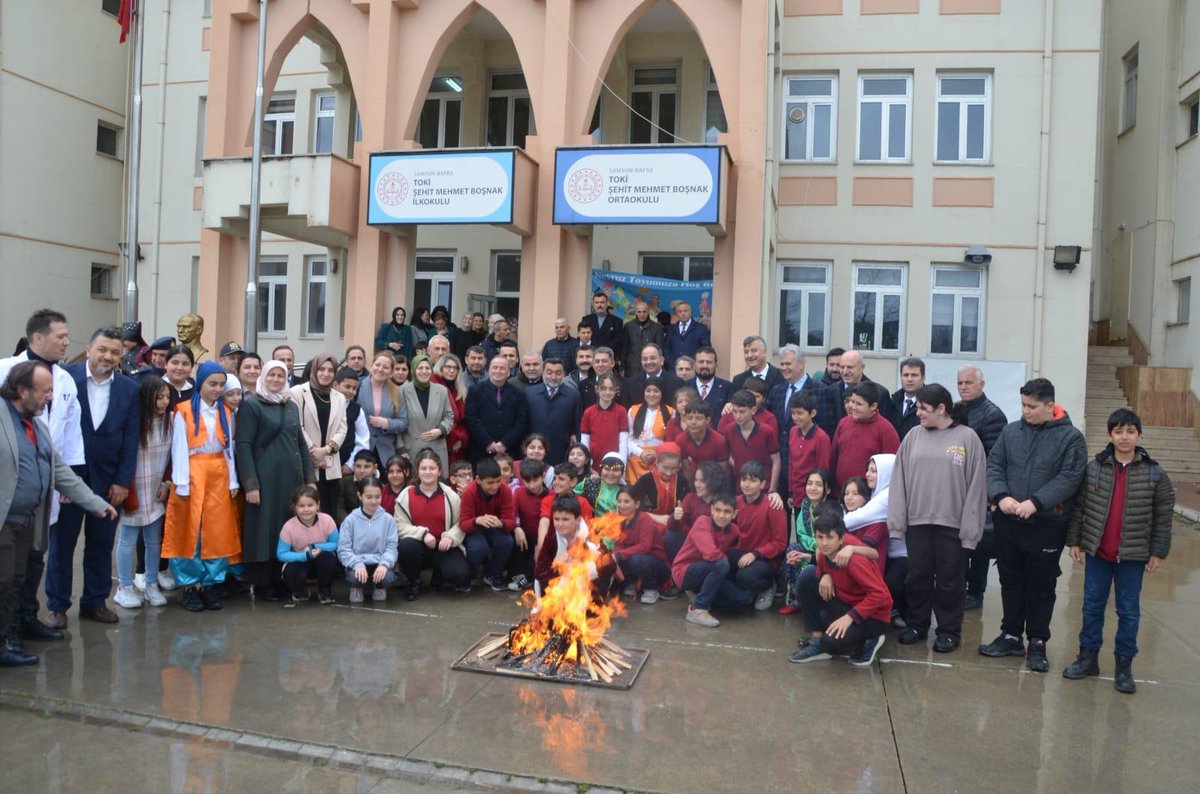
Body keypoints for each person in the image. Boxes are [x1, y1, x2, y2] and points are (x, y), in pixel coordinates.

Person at [1, 362, 116, 667]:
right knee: (3, 582)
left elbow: (60, 471)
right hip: (4, 521)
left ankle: (5, 643)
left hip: (28, 519)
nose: (50, 397)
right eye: (45, 391)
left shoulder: (37, 425)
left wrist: (95, 503)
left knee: (16, 582)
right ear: (22, 390)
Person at [1062, 408, 1175, 694]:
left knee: (1128, 611)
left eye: (1130, 432)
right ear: (1109, 435)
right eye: (1118, 431)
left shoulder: (1154, 473)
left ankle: (1124, 665)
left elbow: (1163, 515)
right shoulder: (1095, 468)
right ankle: (1087, 657)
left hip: (1133, 557)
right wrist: (1074, 540)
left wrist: (1158, 551)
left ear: (1139, 435)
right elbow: (1080, 508)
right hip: (1099, 553)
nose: (1124, 437)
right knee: (1092, 606)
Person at [980, 378, 1088, 673]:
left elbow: (1070, 477)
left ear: (1050, 406)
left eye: (1032, 406)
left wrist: (1036, 502)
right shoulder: (1011, 431)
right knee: (1010, 580)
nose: (1026, 411)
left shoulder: (1071, 439)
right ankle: (1011, 635)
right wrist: (1001, 496)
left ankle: (1038, 642)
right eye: (1023, 405)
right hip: (1009, 520)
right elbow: (995, 464)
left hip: (1046, 523)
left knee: (1041, 585)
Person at [0, 310, 85, 645]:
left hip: (46, 486)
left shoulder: (64, 380)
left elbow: (72, 434)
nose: (67, 341)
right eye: (60, 336)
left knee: (35, 557)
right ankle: (8, 630)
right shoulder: (6, 370)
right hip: (12, 489)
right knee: (9, 568)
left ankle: (26, 618)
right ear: (37, 338)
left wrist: (71, 481)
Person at [46, 327, 141, 626]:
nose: (108, 356)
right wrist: (60, 481)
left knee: (101, 545)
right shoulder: (64, 379)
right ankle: (58, 606)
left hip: (109, 480)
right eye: (102, 350)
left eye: (115, 352)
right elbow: (54, 431)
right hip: (69, 480)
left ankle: (95, 602)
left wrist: (123, 481)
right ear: (88, 350)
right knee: (62, 544)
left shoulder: (129, 389)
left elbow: (130, 439)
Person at [162, 361, 241, 612]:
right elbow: (179, 449)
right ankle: (189, 584)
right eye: (212, 384)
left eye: (221, 385)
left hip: (219, 473)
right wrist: (182, 483)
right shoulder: (184, 411)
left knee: (217, 529)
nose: (217, 390)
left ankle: (210, 582)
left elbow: (230, 449)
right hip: (193, 472)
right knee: (190, 529)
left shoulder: (226, 413)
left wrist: (233, 480)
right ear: (201, 383)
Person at [236, 360, 316, 600]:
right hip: (265, 480)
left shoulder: (290, 405)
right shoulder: (251, 405)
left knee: (286, 528)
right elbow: (244, 445)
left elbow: (300, 443)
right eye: (272, 375)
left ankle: (282, 579)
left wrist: (310, 479)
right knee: (264, 530)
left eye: (281, 376)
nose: (276, 380)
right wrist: (250, 484)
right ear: (263, 377)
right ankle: (262, 583)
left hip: (291, 480)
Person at [788, 506, 892, 666]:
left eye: (829, 537)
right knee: (808, 576)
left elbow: (881, 595)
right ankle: (817, 642)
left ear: (841, 538)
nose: (824, 543)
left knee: (831, 644)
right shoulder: (823, 551)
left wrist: (849, 617)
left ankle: (871, 640)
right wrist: (824, 575)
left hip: (874, 616)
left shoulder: (854, 560)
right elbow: (821, 566)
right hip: (847, 602)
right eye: (820, 537)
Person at [113, 378, 173, 610]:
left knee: (153, 540)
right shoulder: (134, 423)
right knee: (127, 540)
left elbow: (173, 458)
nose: (164, 402)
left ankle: (151, 584)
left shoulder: (171, 421)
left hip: (157, 488)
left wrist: (167, 484)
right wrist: (125, 488)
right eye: (159, 397)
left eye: (167, 397)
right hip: (135, 488)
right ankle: (125, 587)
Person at [957, 364, 1008, 611]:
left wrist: (988, 494)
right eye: (960, 383)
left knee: (977, 544)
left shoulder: (992, 415)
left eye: (969, 382)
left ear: (982, 384)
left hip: (979, 493)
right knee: (960, 544)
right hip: (958, 490)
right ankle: (960, 587)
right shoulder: (958, 411)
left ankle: (975, 591)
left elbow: (994, 459)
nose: (964, 387)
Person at [395, 450, 469, 599]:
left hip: (443, 546)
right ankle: (414, 581)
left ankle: (439, 573)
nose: (428, 472)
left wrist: (450, 537)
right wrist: (423, 533)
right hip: (419, 546)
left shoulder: (450, 495)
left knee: (461, 576)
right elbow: (399, 525)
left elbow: (460, 523)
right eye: (423, 468)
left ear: (439, 471)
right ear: (417, 470)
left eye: (432, 468)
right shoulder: (406, 494)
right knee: (406, 546)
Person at [672, 492, 748, 628]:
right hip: (685, 572)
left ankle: (699, 594)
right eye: (718, 510)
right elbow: (711, 555)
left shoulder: (734, 531)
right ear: (712, 510)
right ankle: (698, 609)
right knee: (722, 564)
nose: (721, 515)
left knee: (741, 600)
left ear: (734, 514)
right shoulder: (702, 522)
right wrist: (727, 560)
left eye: (727, 511)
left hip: (710, 572)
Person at [846, 455, 904, 626]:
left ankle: (907, 616)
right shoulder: (879, 492)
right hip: (891, 553)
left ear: (887, 473)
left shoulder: (888, 495)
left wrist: (828, 526)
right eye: (868, 470)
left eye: (874, 471)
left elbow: (855, 519)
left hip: (904, 554)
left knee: (892, 583)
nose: (867, 474)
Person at [290, 354, 348, 518]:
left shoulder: (339, 397)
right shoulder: (297, 392)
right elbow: (297, 425)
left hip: (330, 464)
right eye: (322, 369)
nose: (326, 373)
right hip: (306, 463)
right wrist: (314, 452)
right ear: (314, 370)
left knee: (328, 512)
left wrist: (326, 450)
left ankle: (325, 545)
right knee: (306, 511)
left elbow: (343, 428)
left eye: (330, 370)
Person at [729, 460, 789, 610]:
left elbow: (780, 543)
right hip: (742, 553)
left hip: (766, 559)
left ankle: (768, 585)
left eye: (752, 480)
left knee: (744, 576)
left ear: (762, 484)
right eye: (744, 479)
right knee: (720, 562)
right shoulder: (736, 502)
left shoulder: (773, 506)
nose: (747, 484)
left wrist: (756, 554)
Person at [458, 457, 517, 591]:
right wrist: (477, 520)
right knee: (479, 547)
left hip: (494, 526)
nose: (495, 486)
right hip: (475, 527)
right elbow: (463, 524)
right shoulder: (469, 492)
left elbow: (511, 521)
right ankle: (469, 576)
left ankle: (492, 574)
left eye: (498, 481)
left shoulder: (505, 490)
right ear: (478, 480)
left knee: (506, 541)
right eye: (490, 483)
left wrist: (500, 523)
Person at [337, 476, 398, 603]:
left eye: (377, 497)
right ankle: (357, 587)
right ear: (360, 496)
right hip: (357, 564)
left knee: (388, 578)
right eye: (369, 497)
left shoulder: (388, 519)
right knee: (354, 578)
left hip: (379, 562)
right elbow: (343, 549)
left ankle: (379, 586)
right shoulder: (350, 520)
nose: (374, 501)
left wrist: (384, 564)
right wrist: (356, 563)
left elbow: (392, 547)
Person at [277, 484, 340, 606]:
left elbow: (336, 544)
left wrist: (314, 546)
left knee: (327, 558)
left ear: (317, 505)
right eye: (301, 506)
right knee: (291, 570)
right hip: (301, 562)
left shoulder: (327, 520)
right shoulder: (288, 527)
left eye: (310, 505)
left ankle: (324, 591)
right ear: (295, 507)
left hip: (320, 562)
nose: (306, 509)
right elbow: (281, 554)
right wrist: (305, 555)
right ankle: (299, 592)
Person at [830, 382, 900, 488]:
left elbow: (893, 468)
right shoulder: (843, 423)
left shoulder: (886, 430)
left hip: (869, 496)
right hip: (841, 493)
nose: (853, 407)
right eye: (852, 401)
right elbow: (834, 458)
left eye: (859, 404)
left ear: (873, 406)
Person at [610, 487, 670, 604]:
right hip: (636, 559)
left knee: (635, 559)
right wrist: (614, 556)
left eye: (626, 501)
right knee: (614, 557)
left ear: (637, 504)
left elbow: (645, 546)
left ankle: (651, 588)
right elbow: (618, 543)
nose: (622, 505)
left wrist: (619, 555)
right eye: (620, 501)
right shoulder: (620, 520)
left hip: (656, 563)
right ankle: (632, 583)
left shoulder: (644, 519)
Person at [665, 460, 727, 571]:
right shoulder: (690, 498)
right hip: (691, 543)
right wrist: (675, 517)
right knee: (671, 537)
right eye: (696, 480)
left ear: (713, 481)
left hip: (712, 545)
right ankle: (677, 575)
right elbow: (673, 528)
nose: (697, 484)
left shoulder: (723, 501)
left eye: (702, 481)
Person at [466, 355, 528, 463]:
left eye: (502, 368)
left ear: (508, 372)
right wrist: (488, 442)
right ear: (488, 370)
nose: (498, 371)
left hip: (509, 450)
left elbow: (521, 422)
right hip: (481, 449)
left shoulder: (518, 394)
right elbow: (471, 418)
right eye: (495, 367)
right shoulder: (475, 391)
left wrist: (505, 443)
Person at [398, 354, 455, 471]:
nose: (424, 371)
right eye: (420, 368)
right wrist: (401, 449)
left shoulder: (442, 391)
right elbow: (398, 421)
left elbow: (449, 416)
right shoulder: (402, 391)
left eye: (427, 368)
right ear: (413, 370)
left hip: (436, 448)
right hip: (412, 450)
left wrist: (441, 430)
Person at [725, 390, 782, 496]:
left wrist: (772, 489)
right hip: (741, 486)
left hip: (764, 486)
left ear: (753, 410)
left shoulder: (766, 431)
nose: (737, 416)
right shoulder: (729, 430)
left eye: (742, 412)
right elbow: (727, 454)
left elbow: (776, 460)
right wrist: (737, 465)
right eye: (735, 411)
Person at [524, 357, 579, 466]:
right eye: (549, 372)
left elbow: (576, 424)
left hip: (561, 452)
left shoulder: (573, 395)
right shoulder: (530, 393)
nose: (553, 377)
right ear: (543, 372)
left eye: (558, 373)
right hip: (534, 451)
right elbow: (524, 423)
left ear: (564, 374)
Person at [358, 352, 409, 465]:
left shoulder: (397, 391)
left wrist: (386, 423)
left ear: (391, 372)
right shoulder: (358, 386)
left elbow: (403, 422)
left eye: (386, 367)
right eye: (377, 365)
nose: (380, 369)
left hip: (386, 452)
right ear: (372, 366)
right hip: (361, 448)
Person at [785, 390, 833, 507]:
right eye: (793, 413)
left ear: (812, 413)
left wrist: (819, 497)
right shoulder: (793, 431)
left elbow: (823, 471)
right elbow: (791, 464)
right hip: (796, 493)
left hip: (813, 495)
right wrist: (791, 492)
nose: (795, 417)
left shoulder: (821, 438)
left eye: (800, 413)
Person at [834, 350, 899, 426]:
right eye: (842, 367)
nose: (845, 371)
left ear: (862, 367)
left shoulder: (880, 393)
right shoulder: (832, 390)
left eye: (850, 367)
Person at [510, 459, 547, 591]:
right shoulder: (519, 493)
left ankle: (528, 578)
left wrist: (541, 542)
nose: (532, 485)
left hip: (544, 539)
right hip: (524, 536)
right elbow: (511, 514)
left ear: (543, 476)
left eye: (535, 480)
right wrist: (516, 527)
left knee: (536, 564)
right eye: (527, 481)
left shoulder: (551, 496)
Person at [579, 373, 628, 471]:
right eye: (604, 388)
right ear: (597, 389)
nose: (607, 392)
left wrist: (622, 465)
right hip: (593, 462)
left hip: (614, 463)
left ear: (616, 390)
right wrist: (588, 464)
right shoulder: (588, 412)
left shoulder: (621, 411)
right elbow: (585, 441)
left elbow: (623, 442)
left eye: (611, 389)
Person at [626, 381, 672, 484]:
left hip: (659, 460)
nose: (651, 394)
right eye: (648, 391)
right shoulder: (633, 410)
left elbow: (671, 441)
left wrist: (657, 453)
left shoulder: (671, 412)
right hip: (635, 459)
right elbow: (627, 439)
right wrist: (640, 452)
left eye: (656, 391)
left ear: (662, 393)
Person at [676, 401, 729, 484]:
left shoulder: (719, 441)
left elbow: (723, 471)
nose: (693, 422)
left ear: (707, 420)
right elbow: (686, 470)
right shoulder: (681, 439)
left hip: (715, 479)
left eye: (698, 418)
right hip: (694, 478)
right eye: (689, 418)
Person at [432, 354, 470, 464]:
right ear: (440, 367)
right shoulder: (433, 386)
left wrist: (460, 439)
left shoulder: (460, 390)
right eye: (448, 367)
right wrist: (453, 438)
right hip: (438, 441)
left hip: (457, 447)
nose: (451, 370)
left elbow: (463, 420)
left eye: (455, 368)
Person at [625, 343, 683, 408]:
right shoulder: (631, 384)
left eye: (652, 358)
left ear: (662, 360)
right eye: (645, 359)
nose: (649, 362)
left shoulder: (676, 383)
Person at [621, 300, 665, 375]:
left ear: (648, 312)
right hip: (632, 367)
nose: (642, 314)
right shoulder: (628, 326)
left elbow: (660, 349)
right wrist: (622, 367)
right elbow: (624, 348)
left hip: (651, 366)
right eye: (639, 312)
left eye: (644, 311)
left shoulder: (657, 328)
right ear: (635, 312)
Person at [581, 291, 623, 367]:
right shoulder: (586, 319)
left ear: (607, 304)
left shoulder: (617, 321)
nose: (599, 305)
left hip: (608, 360)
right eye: (597, 302)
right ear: (593, 304)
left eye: (602, 302)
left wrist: (602, 349)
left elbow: (619, 341)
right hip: (590, 359)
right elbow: (583, 337)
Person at [689, 347, 732, 422]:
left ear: (716, 365)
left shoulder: (727, 387)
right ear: (694, 364)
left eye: (709, 362)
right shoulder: (685, 386)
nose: (705, 366)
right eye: (701, 362)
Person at [664, 300, 711, 366]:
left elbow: (706, 349)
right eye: (680, 311)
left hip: (693, 368)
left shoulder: (701, 328)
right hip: (673, 369)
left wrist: (697, 364)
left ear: (690, 312)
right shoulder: (671, 329)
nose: (683, 314)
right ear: (676, 314)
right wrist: (669, 362)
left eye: (685, 311)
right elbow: (666, 348)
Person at [338, 450, 380, 523]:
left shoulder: (380, 486)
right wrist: (349, 524)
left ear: (375, 467)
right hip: (348, 524)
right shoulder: (344, 482)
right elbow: (340, 509)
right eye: (358, 466)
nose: (362, 471)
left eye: (367, 467)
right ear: (353, 466)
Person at [890, 357, 925, 440]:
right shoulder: (892, 402)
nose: (909, 379)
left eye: (914, 375)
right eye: (906, 375)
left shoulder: (930, 404)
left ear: (923, 378)